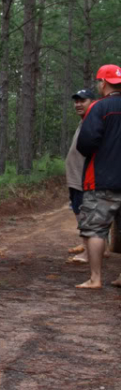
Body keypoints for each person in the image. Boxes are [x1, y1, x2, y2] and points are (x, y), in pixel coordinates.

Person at [75, 64, 121, 289]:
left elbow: (86, 142)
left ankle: (96, 278)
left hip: (102, 179)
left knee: (96, 229)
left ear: (103, 83)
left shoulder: (99, 108)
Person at [65, 89, 95, 263]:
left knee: (85, 213)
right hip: (76, 177)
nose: (78, 104)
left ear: (92, 101)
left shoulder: (92, 120)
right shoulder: (84, 121)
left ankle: (88, 253)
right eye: (76, 101)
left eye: (82, 101)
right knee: (80, 211)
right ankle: (89, 246)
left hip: (84, 178)